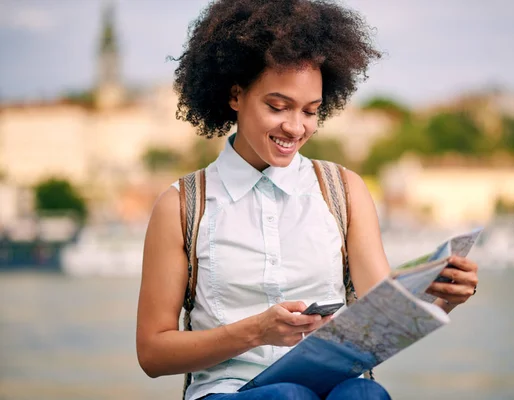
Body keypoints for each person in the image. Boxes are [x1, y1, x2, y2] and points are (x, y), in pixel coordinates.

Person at [136, 1, 479, 399]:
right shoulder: (181, 206)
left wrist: (444, 296)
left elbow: (380, 319)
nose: (295, 127)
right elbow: (152, 353)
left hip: (331, 386)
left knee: (364, 395)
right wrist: (256, 331)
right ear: (235, 95)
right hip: (228, 391)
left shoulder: (343, 190)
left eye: (311, 111)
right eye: (277, 106)